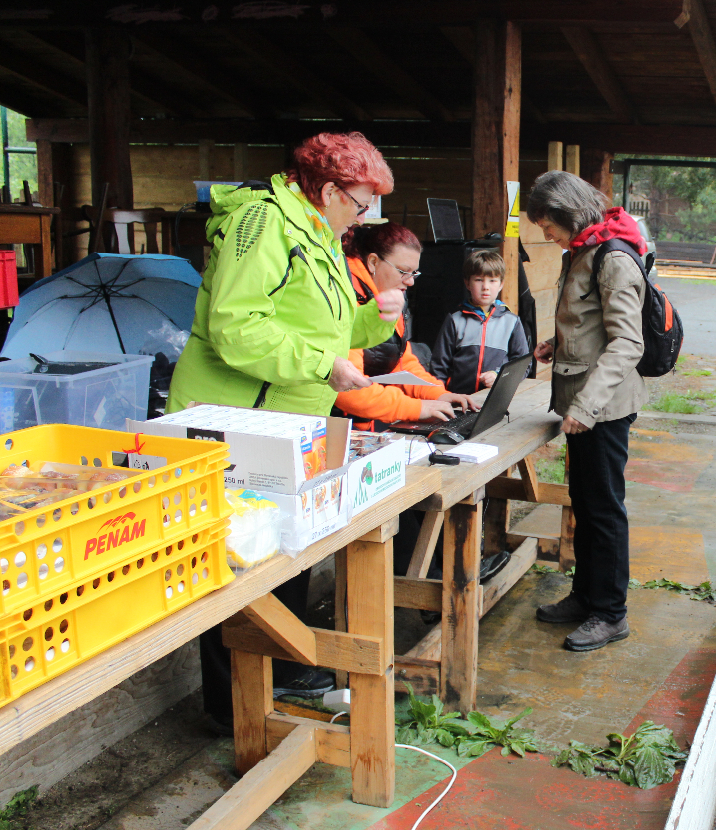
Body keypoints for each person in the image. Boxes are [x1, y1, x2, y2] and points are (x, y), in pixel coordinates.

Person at [167, 132, 403, 726]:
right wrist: (325, 365)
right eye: (360, 199)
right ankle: (233, 707)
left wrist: (375, 318)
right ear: (327, 189)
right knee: (239, 560)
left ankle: (281, 676)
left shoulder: (317, 232)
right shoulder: (263, 223)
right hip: (237, 416)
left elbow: (323, 323)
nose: (365, 214)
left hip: (288, 418)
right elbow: (237, 326)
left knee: (287, 544)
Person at [525, 170, 648, 652]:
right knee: (586, 504)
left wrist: (586, 405)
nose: (545, 235)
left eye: (547, 225)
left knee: (604, 510)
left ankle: (611, 613)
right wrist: (560, 342)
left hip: (603, 407)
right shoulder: (585, 247)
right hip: (585, 403)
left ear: (568, 212)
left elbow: (626, 343)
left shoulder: (614, 257)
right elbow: (591, 321)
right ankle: (586, 596)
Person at [334, 222, 477, 430]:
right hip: (338, 429)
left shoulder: (388, 295)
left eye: (414, 273)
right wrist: (417, 408)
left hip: (369, 426)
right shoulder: (347, 298)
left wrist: (440, 394)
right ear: (373, 261)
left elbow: (402, 361)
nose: (410, 282)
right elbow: (349, 391)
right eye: (404, 271)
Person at [429, 249, 531, 394]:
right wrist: (439, 396)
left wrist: (498, 375)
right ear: (467, 283)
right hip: (459, 400)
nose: (486, 287)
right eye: (478, 280)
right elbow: (439, 367)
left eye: (492, 280)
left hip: (494, 400)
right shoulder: (455, 320)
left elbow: (523, 364)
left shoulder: (511, 321)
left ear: (501, 284)